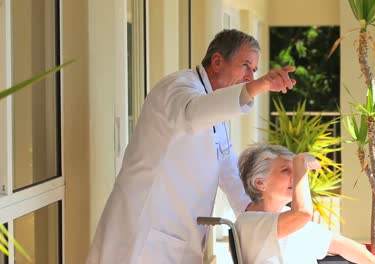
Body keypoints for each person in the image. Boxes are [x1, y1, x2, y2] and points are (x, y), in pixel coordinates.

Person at [87, 29, 297, 264]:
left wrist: (247, 206)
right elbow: (191, 114)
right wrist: (259, 86)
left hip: (178, 234)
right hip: (145, 233)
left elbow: (225, 164)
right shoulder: (177, 87)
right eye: (245, 66)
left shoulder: (216, 103)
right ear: (217, 61)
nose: (250, 76)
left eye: (254, 71)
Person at [235, 144, 375, 264]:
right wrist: (300, 162)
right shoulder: (249, 223)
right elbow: (302, 213)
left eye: (296, 170)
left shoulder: (287, 218)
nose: (295, 176)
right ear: (260, 183)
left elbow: (344, 246)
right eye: (285, 170)